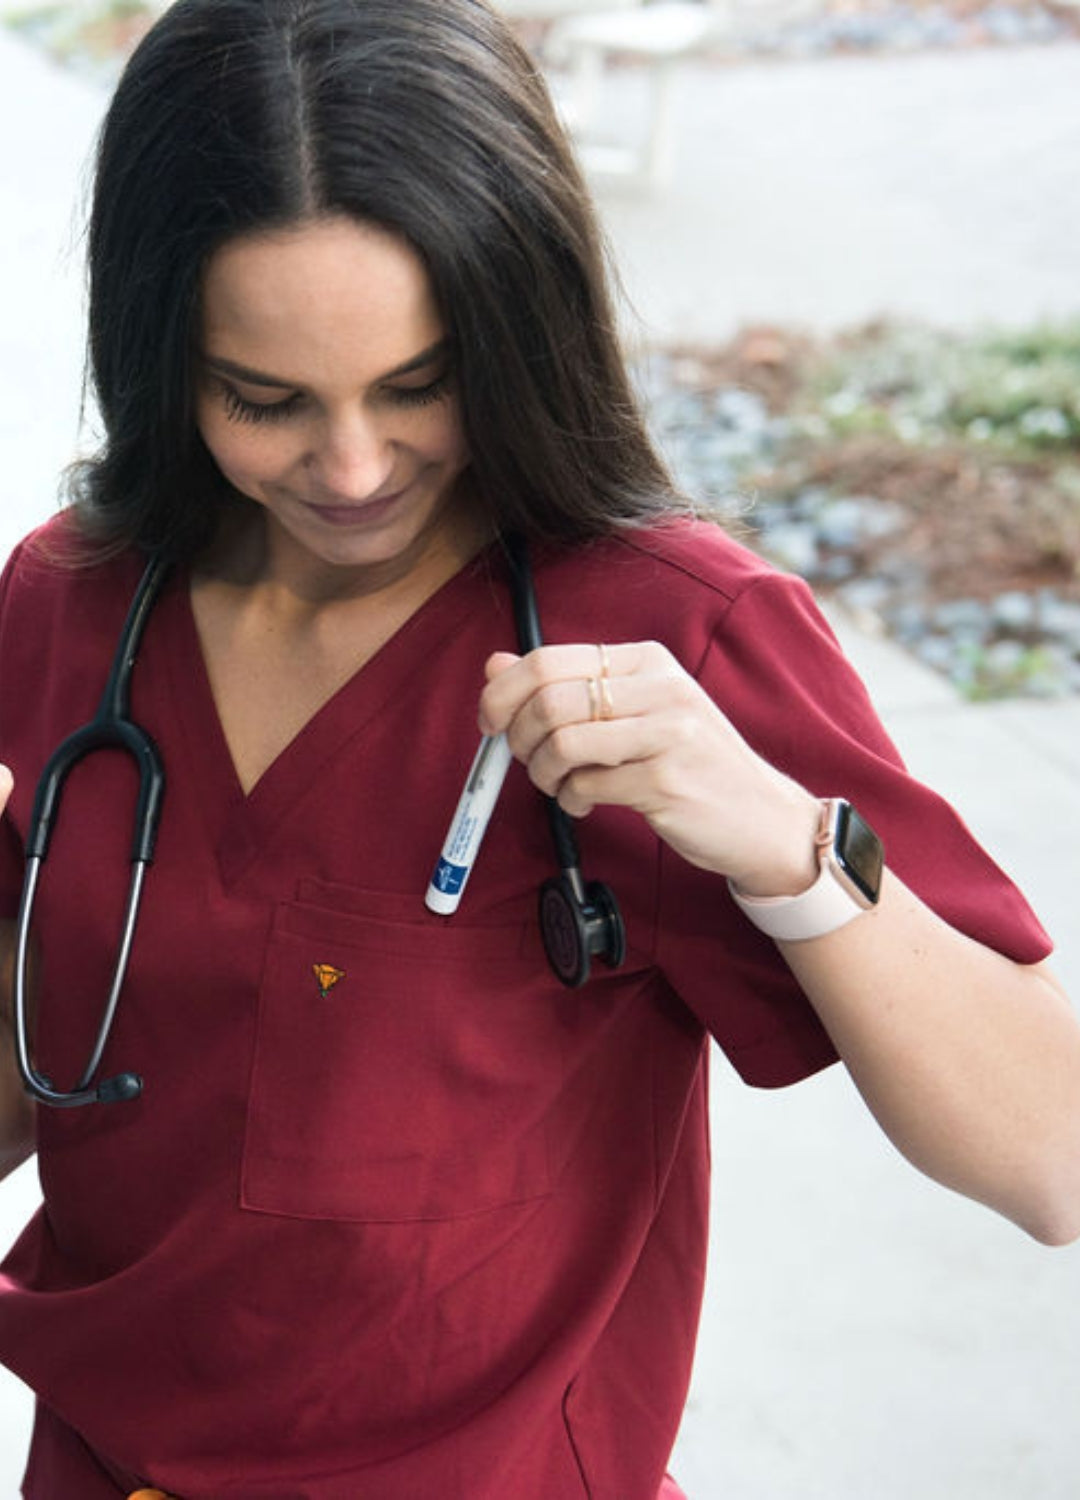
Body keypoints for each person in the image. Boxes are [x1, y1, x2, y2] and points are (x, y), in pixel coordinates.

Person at [0, 0, 1078, 1495]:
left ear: (519, 328)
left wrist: (782, 845)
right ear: (157, 348)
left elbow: (1051, 1156)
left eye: (420, 384)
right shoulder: (72, 601)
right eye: (266, 401)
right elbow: (55, 1066)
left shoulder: (676, 628)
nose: (356, 469)